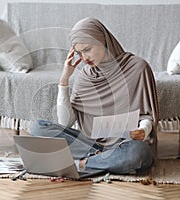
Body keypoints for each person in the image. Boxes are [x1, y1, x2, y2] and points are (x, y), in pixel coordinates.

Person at [30, 17, 158, 174]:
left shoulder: (138, 68)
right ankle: (98, 160)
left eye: (87, 49)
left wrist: (143, 131)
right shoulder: (85, 76)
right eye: (79, 53)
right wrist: (64, 80)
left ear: (103, 41)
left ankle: (79, 164)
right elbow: (65, 122)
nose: (84, 58)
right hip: (90, 145)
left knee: (138, 153)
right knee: (38, 127)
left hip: (124, 145)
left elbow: (148, 116)